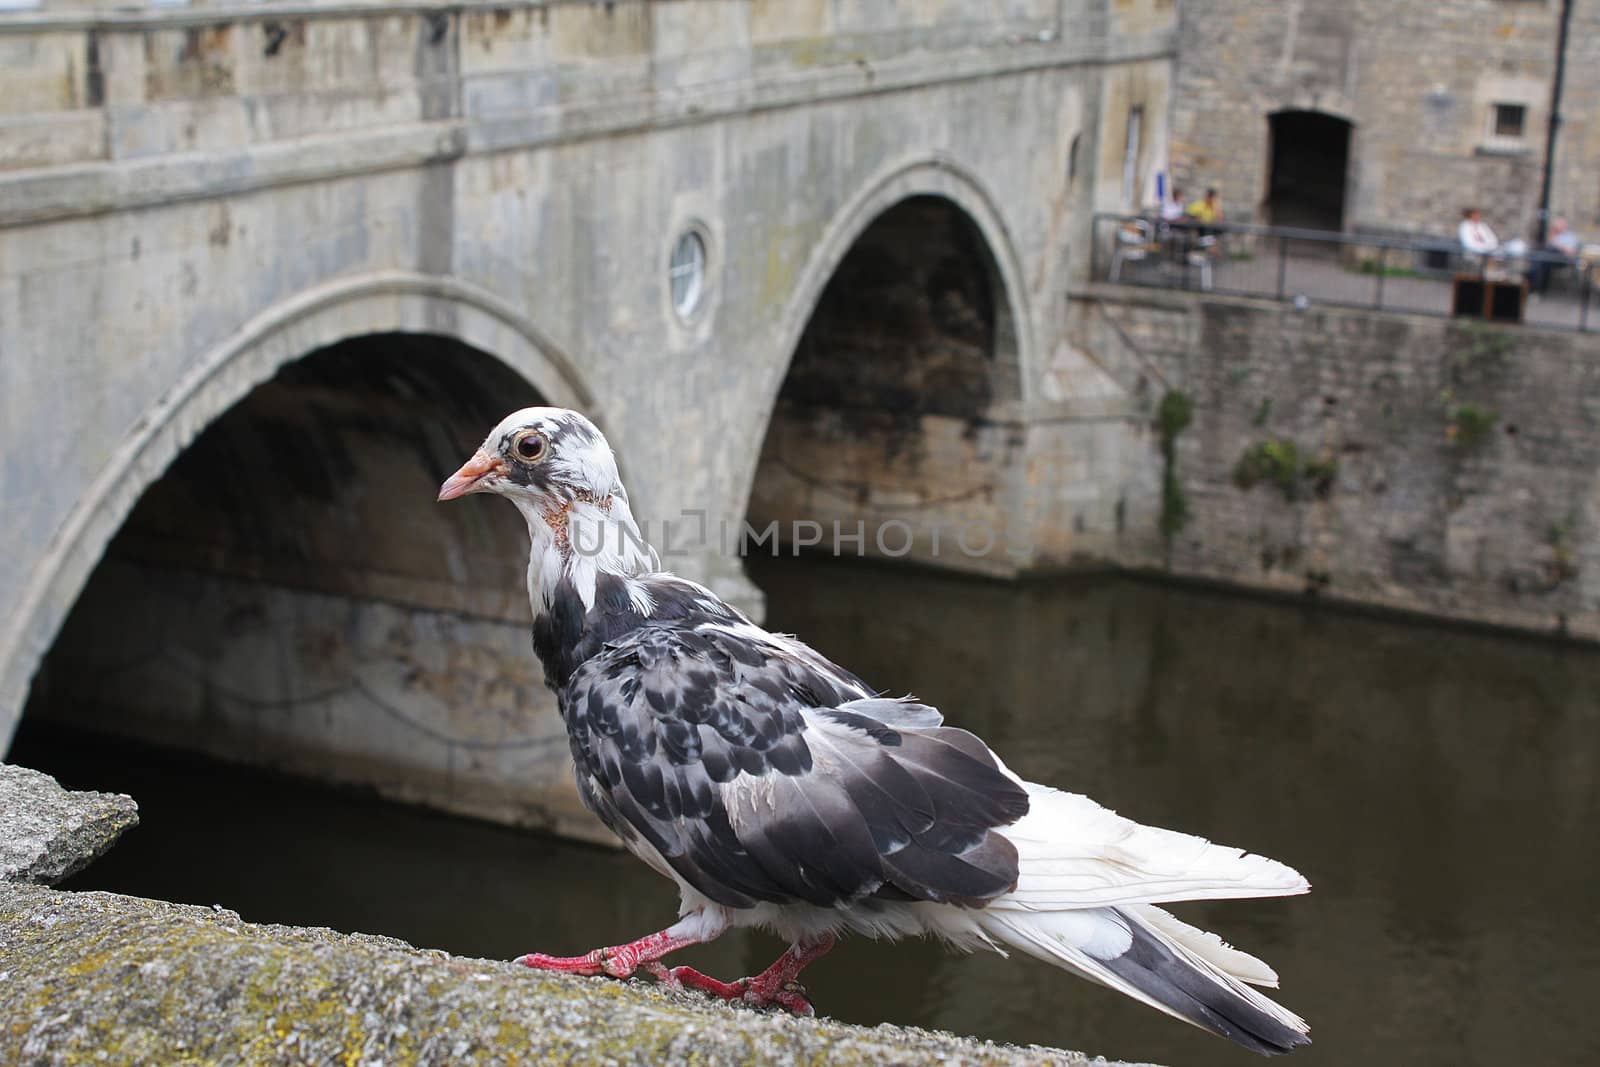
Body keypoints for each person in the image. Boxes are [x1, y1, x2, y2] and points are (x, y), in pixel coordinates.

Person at [1530, 216, 1581, 294]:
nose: (1557, 227)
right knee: (1539, 263)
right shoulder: (1555, 235)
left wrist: (1558, 244)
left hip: (1563, 259)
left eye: (1559, 225)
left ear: (1564, 225)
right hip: (1550, 258)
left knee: (1541, 260)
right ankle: (1537, 289)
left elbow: (1570, 252)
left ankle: (1536, 289)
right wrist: (1553, 235)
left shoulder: (1570, 236)